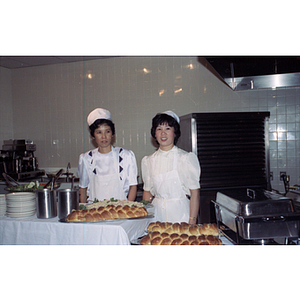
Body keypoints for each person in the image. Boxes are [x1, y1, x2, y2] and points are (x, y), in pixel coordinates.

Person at [141, 111, 201, 225]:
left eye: (168, 128)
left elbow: (195, 194)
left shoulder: (186, 158)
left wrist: (192, 221)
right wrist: (144, 217)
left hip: (181, 216)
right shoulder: (148, 161)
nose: (163, 133)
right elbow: (147, 194)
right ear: (154, 133)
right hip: (156, 217)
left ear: (175, 132)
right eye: (159, 129)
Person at [78, 108, 138, 203]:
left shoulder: (126, 155)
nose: (104, 137)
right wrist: (84, 210)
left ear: (112, 134)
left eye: (107, 131)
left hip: (120, 211)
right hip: (94, 212)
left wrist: (127, 209)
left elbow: (133, 186)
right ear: (93, 135)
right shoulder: (86, 158)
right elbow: (83, 189)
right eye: (99, 132)